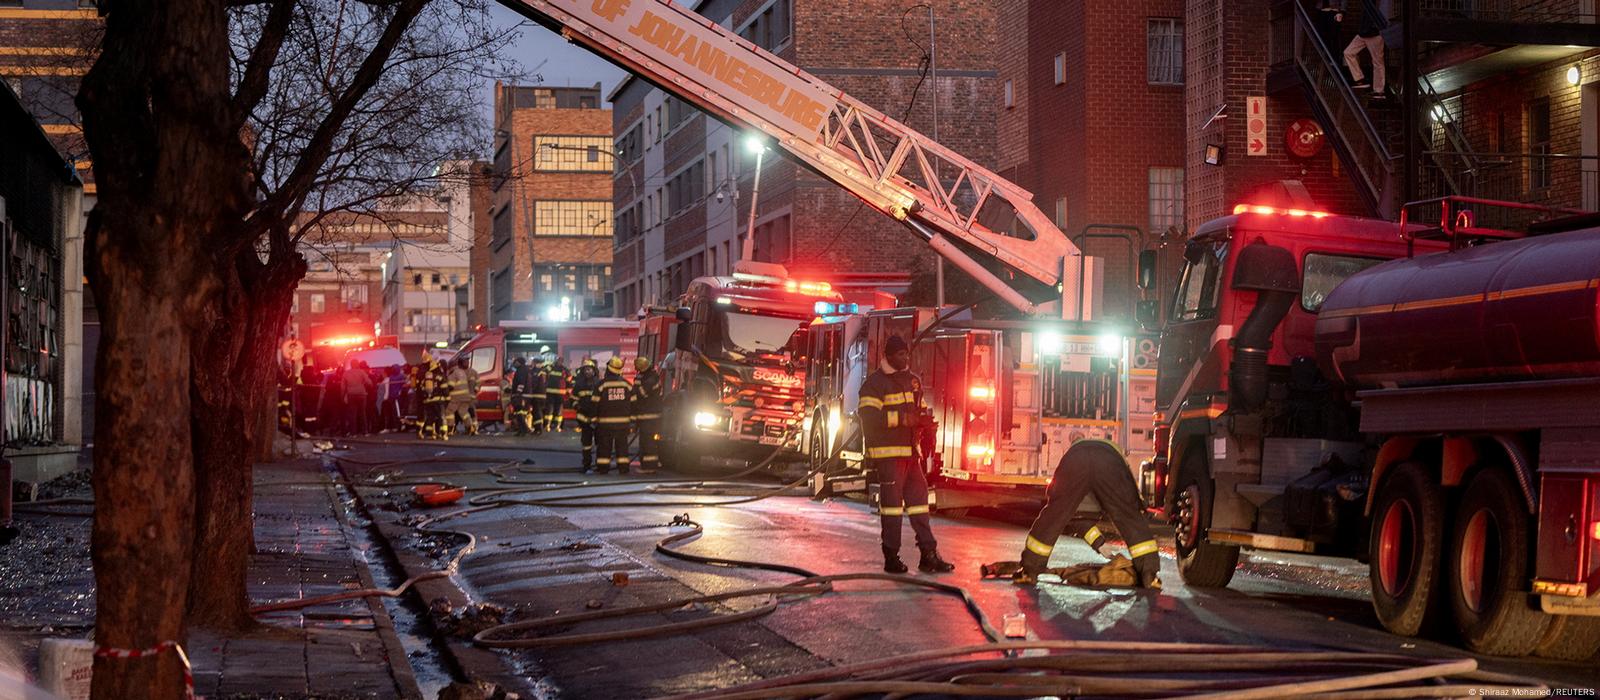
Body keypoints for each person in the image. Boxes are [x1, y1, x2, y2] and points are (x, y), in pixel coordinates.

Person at [858, 335, 954, 574]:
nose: (905, 358)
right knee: (891, 508)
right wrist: (902, 419)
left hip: (911, 455)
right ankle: (891, 557)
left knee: (920, 504)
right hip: (888, 456)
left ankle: (928, 554)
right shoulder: (874, 384)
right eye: (900, 355)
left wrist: (926, 424)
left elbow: (919, 409)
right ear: (889, 356)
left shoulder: (913, 381)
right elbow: (869, 419)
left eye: (907, 354)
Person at [1015, 438, 1162, 589]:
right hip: (1108, 460)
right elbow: (1129, 508)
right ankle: (1150, 576)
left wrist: (1100, 544)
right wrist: (1100, 544)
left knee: (1055, 514)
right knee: (1129, 516)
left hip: (1075, 459)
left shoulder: (1079, 482)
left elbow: (1078, 519)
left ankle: (1029, 572)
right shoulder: (1114, 463)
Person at [590, 356, 634, 475]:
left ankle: (603, 468)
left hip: (605, 424)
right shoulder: (627, 385)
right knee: (622, 448)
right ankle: (623, 469)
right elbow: (634, 402)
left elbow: (594, 403)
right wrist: (632, 420)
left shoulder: (601, 385)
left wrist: (593, 420)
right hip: (623, 424)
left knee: (604, 447)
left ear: (608, 369)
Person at [1343, 6, 1386, 97]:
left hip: (1375, 34)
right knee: (1348, 52)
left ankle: (1379, 91)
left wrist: (1379, 29)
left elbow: (1384, 14)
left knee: (1377, 62)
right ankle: (1359, 79)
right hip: (1363, 33)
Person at [630, 356, 663, 473]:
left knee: (648, 441)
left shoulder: (651, 379)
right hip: (645, 414)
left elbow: (641, 393)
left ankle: (649, 467)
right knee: (645, 441)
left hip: (650, 415)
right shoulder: (645, 376)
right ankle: (646, 465)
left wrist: (633, 391)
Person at [571, 358, 600, 472]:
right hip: (584, 419)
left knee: (600, 444)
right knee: (586, 444)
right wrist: (577, 406)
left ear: (594, 370)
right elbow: (573, 399)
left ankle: (600, 465)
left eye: (589, 369)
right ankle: (586, 465)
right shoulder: (579, 384)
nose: (587, 371)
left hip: (597, 420)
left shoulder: (599, 383)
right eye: (585, 370)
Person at [416, 351, 449, 440]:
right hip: (439, 401)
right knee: (442, 417)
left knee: (430, 418)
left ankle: (431, 434)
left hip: (428, 401)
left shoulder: (427, 376)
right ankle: (444, 434)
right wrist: (447, 398)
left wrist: (425, 397)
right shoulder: (440, 376)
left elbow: (422, 388)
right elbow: (444, 388)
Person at [446, 355, 480, 436]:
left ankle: (450, 429)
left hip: (456, 397)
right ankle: (470, 428)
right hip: (466, 397)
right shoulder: (462, 372)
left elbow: (450, 386)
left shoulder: (453, 373)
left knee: (449, 411)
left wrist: (444, 391)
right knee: (464, 412)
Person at [344, 360, 376, 434]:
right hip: (362, 395)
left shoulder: (347, 373)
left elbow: (343, 386)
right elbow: (370, 383)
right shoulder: (362, 373)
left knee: (354, 414)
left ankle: (354, 432)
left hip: (353, 395)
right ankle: (364, 431)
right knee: (362, 413)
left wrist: (343, 396)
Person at [508, 357, 535, 435]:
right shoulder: (527, 370)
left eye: (515, 362)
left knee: (519, 413)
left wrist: (517, 393)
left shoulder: (521, 370)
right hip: (527, 395)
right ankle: (522, 430)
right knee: (522, 413)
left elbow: (521, 383)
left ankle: (524, 429)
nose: (514, 363)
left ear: (519, 362)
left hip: (522, 396)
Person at [544, 357, 569, 433]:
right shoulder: (550, 367)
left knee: (559, 411)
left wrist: (567, 387)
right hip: (551, 392)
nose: (560, 362)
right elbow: (543, 374)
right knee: (550, 410)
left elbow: (569, 378)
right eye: (559, 360)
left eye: (561, 361)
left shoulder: (564, 369)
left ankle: (557, 426)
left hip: (560, 393)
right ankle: (547, 425)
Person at [526, 357, 548, 435]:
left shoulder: (537, 372)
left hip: (537, 395)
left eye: (532, 362)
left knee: (537, 412)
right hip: (541, 395)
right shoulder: (543, 371)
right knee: (537, 412)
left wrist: (530, 390)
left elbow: (534, 383)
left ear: (535, 363)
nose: (531, 364)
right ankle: (537, 429)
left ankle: (539, 429)